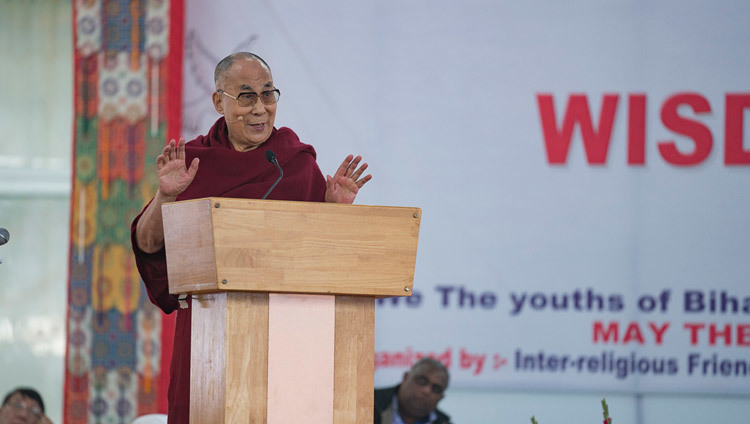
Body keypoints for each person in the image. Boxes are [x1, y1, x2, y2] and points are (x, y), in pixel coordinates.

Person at [130, 52, 371, 424]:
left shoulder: (293, 162)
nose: (260, 108)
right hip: (208, 336)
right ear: (218, 101)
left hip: (288, 338)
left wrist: (333, 210)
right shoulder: (193, 163)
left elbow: (322, 262)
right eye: (246, 96)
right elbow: (149, 245)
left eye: (268, 94)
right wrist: (165, 197)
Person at [374, 358, 451, 424]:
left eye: (436, 388)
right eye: (422, 381)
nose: (426, 391)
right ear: (405, 377)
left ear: (440, 398)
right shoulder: (368, 403)